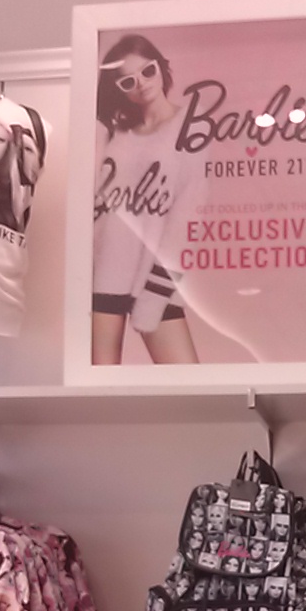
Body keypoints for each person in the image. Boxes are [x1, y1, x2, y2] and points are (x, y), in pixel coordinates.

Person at [92, 32, 204, 365]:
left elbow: (190, 210)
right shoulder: (114, 131)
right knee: (99, 387)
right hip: (105, 268)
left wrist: (156, 294)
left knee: (191, 389)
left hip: (153, 274)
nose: (141, 83)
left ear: (160, 67)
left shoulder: (191, 124)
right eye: (128, 81)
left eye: (147, 71)